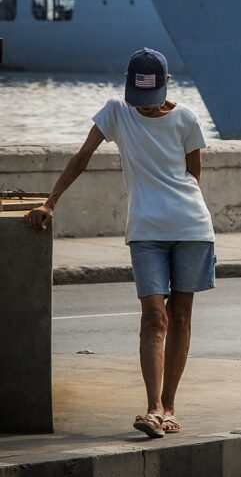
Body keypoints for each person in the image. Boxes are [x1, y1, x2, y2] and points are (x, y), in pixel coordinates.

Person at [25, 48, 213, 439]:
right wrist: (50, 200)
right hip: (144, 230)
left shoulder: (186, 119)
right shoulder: (116, 111)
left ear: (167, 85)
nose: (143, 107)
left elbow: (194, 178)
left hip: (191, 227)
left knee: (180, 317)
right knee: (153, 316)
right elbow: (82, 157)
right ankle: (153, 408)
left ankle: (171, 406)